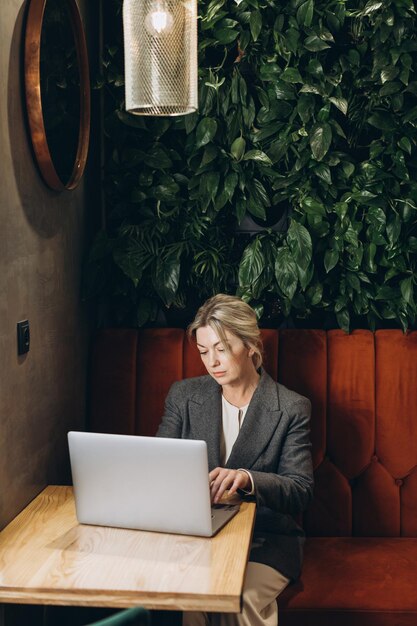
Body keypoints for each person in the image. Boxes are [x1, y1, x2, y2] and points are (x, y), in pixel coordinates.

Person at [157, 294, 314, 626]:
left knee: (237, 599)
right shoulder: (184, 397)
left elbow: (300, 490)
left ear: (251, 346)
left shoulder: (291, 407)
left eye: (222, 348)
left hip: (266, 540)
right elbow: (158, 466)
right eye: (203, 351)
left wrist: (247, 479)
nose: (212, 361)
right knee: (195, 596)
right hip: (198, 538)